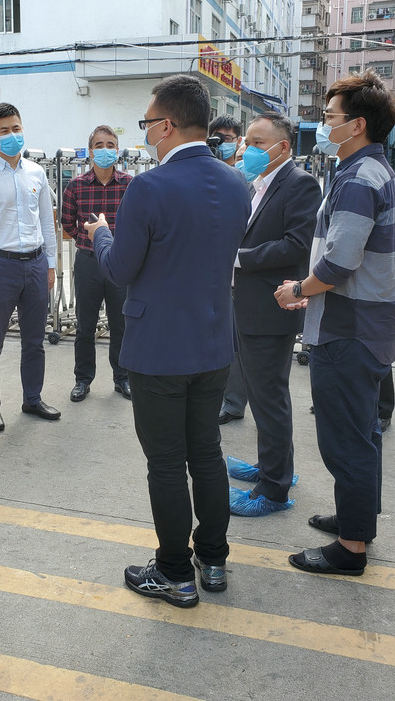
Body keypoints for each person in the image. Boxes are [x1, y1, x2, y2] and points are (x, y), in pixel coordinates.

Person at [85, 75, 249, 607]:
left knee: (166, 463)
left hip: (159, 348)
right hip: (213, 343)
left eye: (148, 122)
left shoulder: (149, 187)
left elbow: (119, 268)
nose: (146, 132)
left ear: (168, 125)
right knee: (207, 454)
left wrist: (101, 234)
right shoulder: (236, 184)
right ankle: (214, 561)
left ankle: (176, 573)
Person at [275, 69, 395, 577]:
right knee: (361, 432)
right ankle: (358, 519)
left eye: (329, 116)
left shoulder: (357, 178)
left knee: (345, 440)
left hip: (348, 330)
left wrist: (298, 290)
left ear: (356, 125)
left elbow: (339, 262)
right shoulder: (369, 170)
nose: (323, 124)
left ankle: (351, 548)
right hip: (364, 325)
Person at [224, 111, 320, 517]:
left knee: (269, 397)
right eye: (246, 142)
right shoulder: (258, 184)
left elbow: (296, 244)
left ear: (283, 147)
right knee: (263, 395)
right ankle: (272, 467)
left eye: (257, 143)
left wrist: (239, 258)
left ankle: (274, 490)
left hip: (270, 308)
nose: (247, 149)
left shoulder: (299, 184)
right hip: (248, 305)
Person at [0, 103, 60, 432]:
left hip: (35, 264)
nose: (12, 135)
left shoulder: (36, 173)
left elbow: (47, 222)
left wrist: (50, 266)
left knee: (34, 340)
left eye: (16, 129)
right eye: (4, 131)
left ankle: (32, 399)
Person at [60, 125, 132, 402]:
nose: (105, 150)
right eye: (99, 145)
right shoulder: (76, 186)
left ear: (117, 150)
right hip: (88, 262)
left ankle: (122, 378)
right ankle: (82, 379)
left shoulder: (129, 185)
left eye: (110, 145)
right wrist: (86, 239)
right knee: (85, 325)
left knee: (120, 324)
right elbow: (68, 223)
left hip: (119, 263)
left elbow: (138, 223)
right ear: (90, 152)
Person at [208, 116, 250, 424]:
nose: (224, 143)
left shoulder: (246, 178)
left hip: (240, 270)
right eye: (218, 138)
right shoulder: (204, 176)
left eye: (230, 138)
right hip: (208, 273)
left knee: (237, 343)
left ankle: (234, 402)